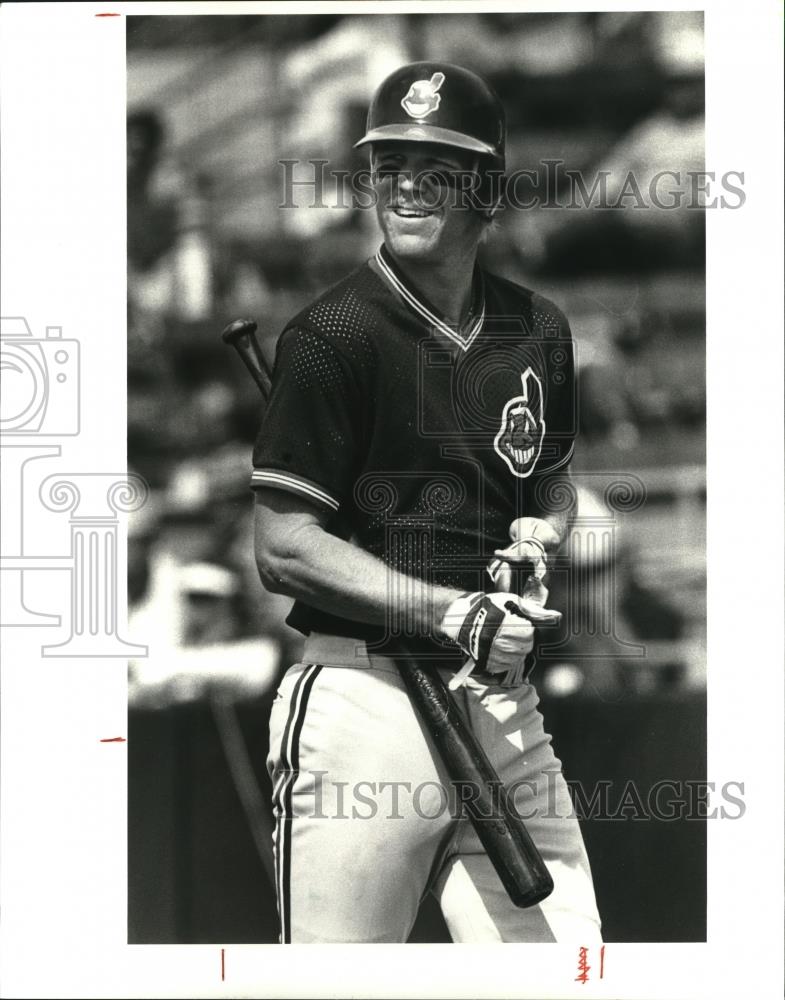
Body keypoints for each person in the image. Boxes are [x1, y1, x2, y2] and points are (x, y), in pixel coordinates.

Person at [251, 61, 601, 943]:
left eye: (434, 165)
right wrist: (449, 611)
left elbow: (549, 473)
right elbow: (284, 545)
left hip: (502, 708)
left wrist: (543, 527)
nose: (404, 182)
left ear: (486, 189)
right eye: (387, 163)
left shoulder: (537, 327)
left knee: (570, 971)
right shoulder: (332, 336)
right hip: (366, 698)